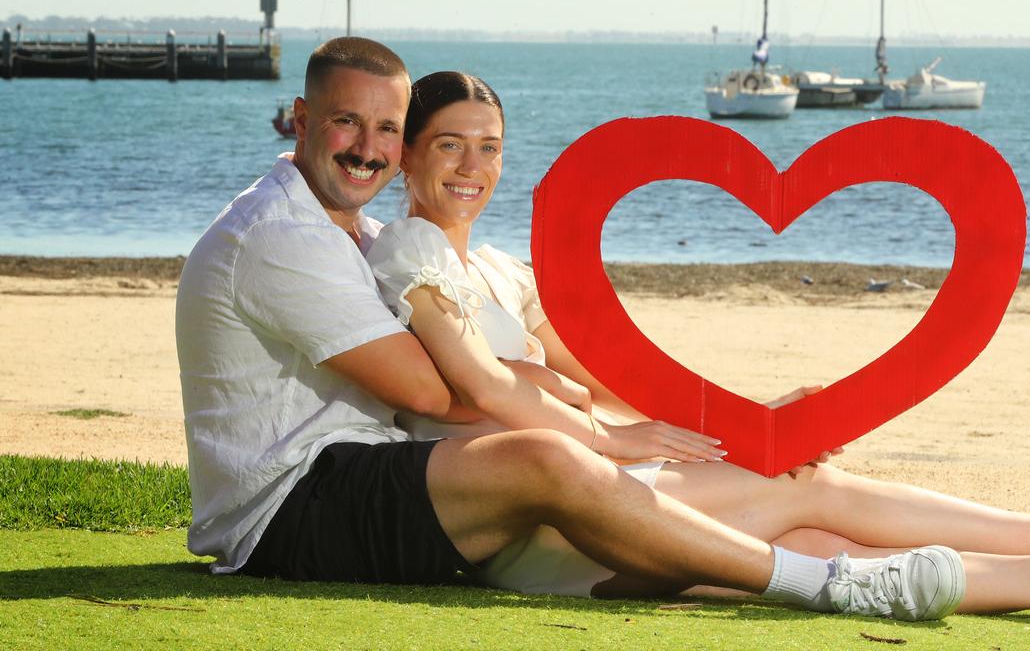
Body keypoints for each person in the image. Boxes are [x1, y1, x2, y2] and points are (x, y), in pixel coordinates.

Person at [361, 69, 1030, 628]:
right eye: (450, 145)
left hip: (593, 488)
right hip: (535, 520)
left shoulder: (506, 270)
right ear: (407, 154)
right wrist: (618, 441)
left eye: (490, 147)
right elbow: (484, 385)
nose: (472, 166)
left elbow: (611, 377)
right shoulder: (408, 253)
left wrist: (753, 418)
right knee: (812, 487)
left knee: (813, 547)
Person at [176, 36, 970, 624]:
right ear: (302, 119)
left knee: (801, 492)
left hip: (364, 473)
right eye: (349, 123)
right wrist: (595, 428)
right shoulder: (286, 235)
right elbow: (433, 386)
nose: (369, 147)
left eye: (384, 127)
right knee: (552, 455)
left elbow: (558, 368)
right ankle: (822, 586)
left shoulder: (359, 234)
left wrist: (744, 419)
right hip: (292, 504)